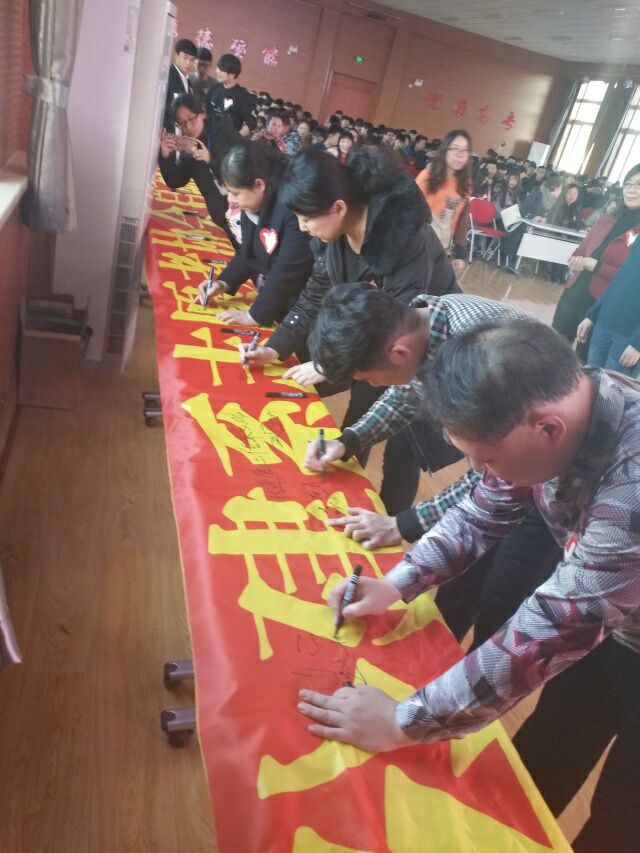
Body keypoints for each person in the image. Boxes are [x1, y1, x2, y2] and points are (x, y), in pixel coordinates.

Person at [297, 318, 640, 853]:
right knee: (548, 750)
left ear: (548, 429)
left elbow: (554, 626)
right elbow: (483, 510)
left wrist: (402, 722)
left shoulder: (631, 485)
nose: (482, 470)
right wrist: (394, 584)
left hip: (615, 609)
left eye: (488, 458)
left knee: (622, 812)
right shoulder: (565, 394)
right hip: (618, 616)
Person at [242, 146, 459, 515]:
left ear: (338, 208)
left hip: (429, 346)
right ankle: (350, 500)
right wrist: (275, 347)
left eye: (306, 219)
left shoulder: (402, 235)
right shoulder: (334, 237)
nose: (302, 227)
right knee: (359, 420)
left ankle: (388, 522)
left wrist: (328, 366)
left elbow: (396, 331)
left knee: (403, 443)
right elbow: (314, 295)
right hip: (380, 339)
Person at [302, 283, 524, 547]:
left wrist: (402, 525)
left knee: (501, 557)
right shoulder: (423, 325)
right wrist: (348, 441)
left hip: (545, 477)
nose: (374, 385)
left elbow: (495, 475)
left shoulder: (479, 362)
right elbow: (405, 396)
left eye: (371, 379)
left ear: (399, 353)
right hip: (521, 459)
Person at [196, 140, 313, 327]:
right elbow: (250, 248)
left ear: (259, 184)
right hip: (277, 293)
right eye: (228, 192)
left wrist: (254, 315)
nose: (230, 200)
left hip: (302, 302)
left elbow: (287, 269)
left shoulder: (292, 205)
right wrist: (224, 282)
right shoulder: (255, 199)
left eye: (235, 193)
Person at [552, 163, 640, 357]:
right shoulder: (609, 218)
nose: (631, 189)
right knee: (555, 349)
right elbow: (584, 248)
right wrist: (576, 258)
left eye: (638, 185)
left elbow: (633, 280)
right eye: (629, 184)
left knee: (586, 361)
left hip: (602, 305)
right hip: (574, 292)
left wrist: (597, 266)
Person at [158, 93, 240, 243]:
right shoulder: (189, 147)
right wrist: (165, 155)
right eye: (182, 123)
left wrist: (211, 160)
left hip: (242, 208)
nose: (188, 127)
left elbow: (241, 168)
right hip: (221, 216)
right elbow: (175, 181)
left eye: (191, 119)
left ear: (202, 114)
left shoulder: (223, 129)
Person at [576, 235, 640, 377]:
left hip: (629, 337)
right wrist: (593, 315)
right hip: (605, 323)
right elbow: (620, 278)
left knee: (612, 388)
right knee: (591, 381)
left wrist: (638, 344)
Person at [415, 129, 472, 277]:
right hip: (417, 248)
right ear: (445, 150)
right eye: (455, 148)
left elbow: (462, 219)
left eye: (465, 150)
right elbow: (407, 210)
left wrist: (460, 254)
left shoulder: (465, 184)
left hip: (442, 250)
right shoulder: (427, 177)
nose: (460, 154)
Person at [208, 53, 256, 137]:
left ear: (232, 75)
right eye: (218, 68)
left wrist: (235, 138)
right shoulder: (214, 88)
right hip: (210, 136)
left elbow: (251, 122)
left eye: (221, 70)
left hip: (226, 140)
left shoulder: (242, 96)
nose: (217, 71)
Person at [547, 183, 584, 283]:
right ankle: (556, 277)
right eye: (569, 193)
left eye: (575, 194)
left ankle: (562, 276)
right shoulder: (557, 206)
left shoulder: (575, 208)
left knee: (573, 248)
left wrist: (584, 228)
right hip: (554, 237)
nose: (572, 196)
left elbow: (578, 224)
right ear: (564, 193)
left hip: (568, 240)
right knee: (564, 248)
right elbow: (553, 223)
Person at [164, 38, 197, 130]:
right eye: (185, 58)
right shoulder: (167, 77)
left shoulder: (188, 81)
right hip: (167, 130)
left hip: (180, 131)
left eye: (192, 59)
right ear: (176, 56)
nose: (188, 63)